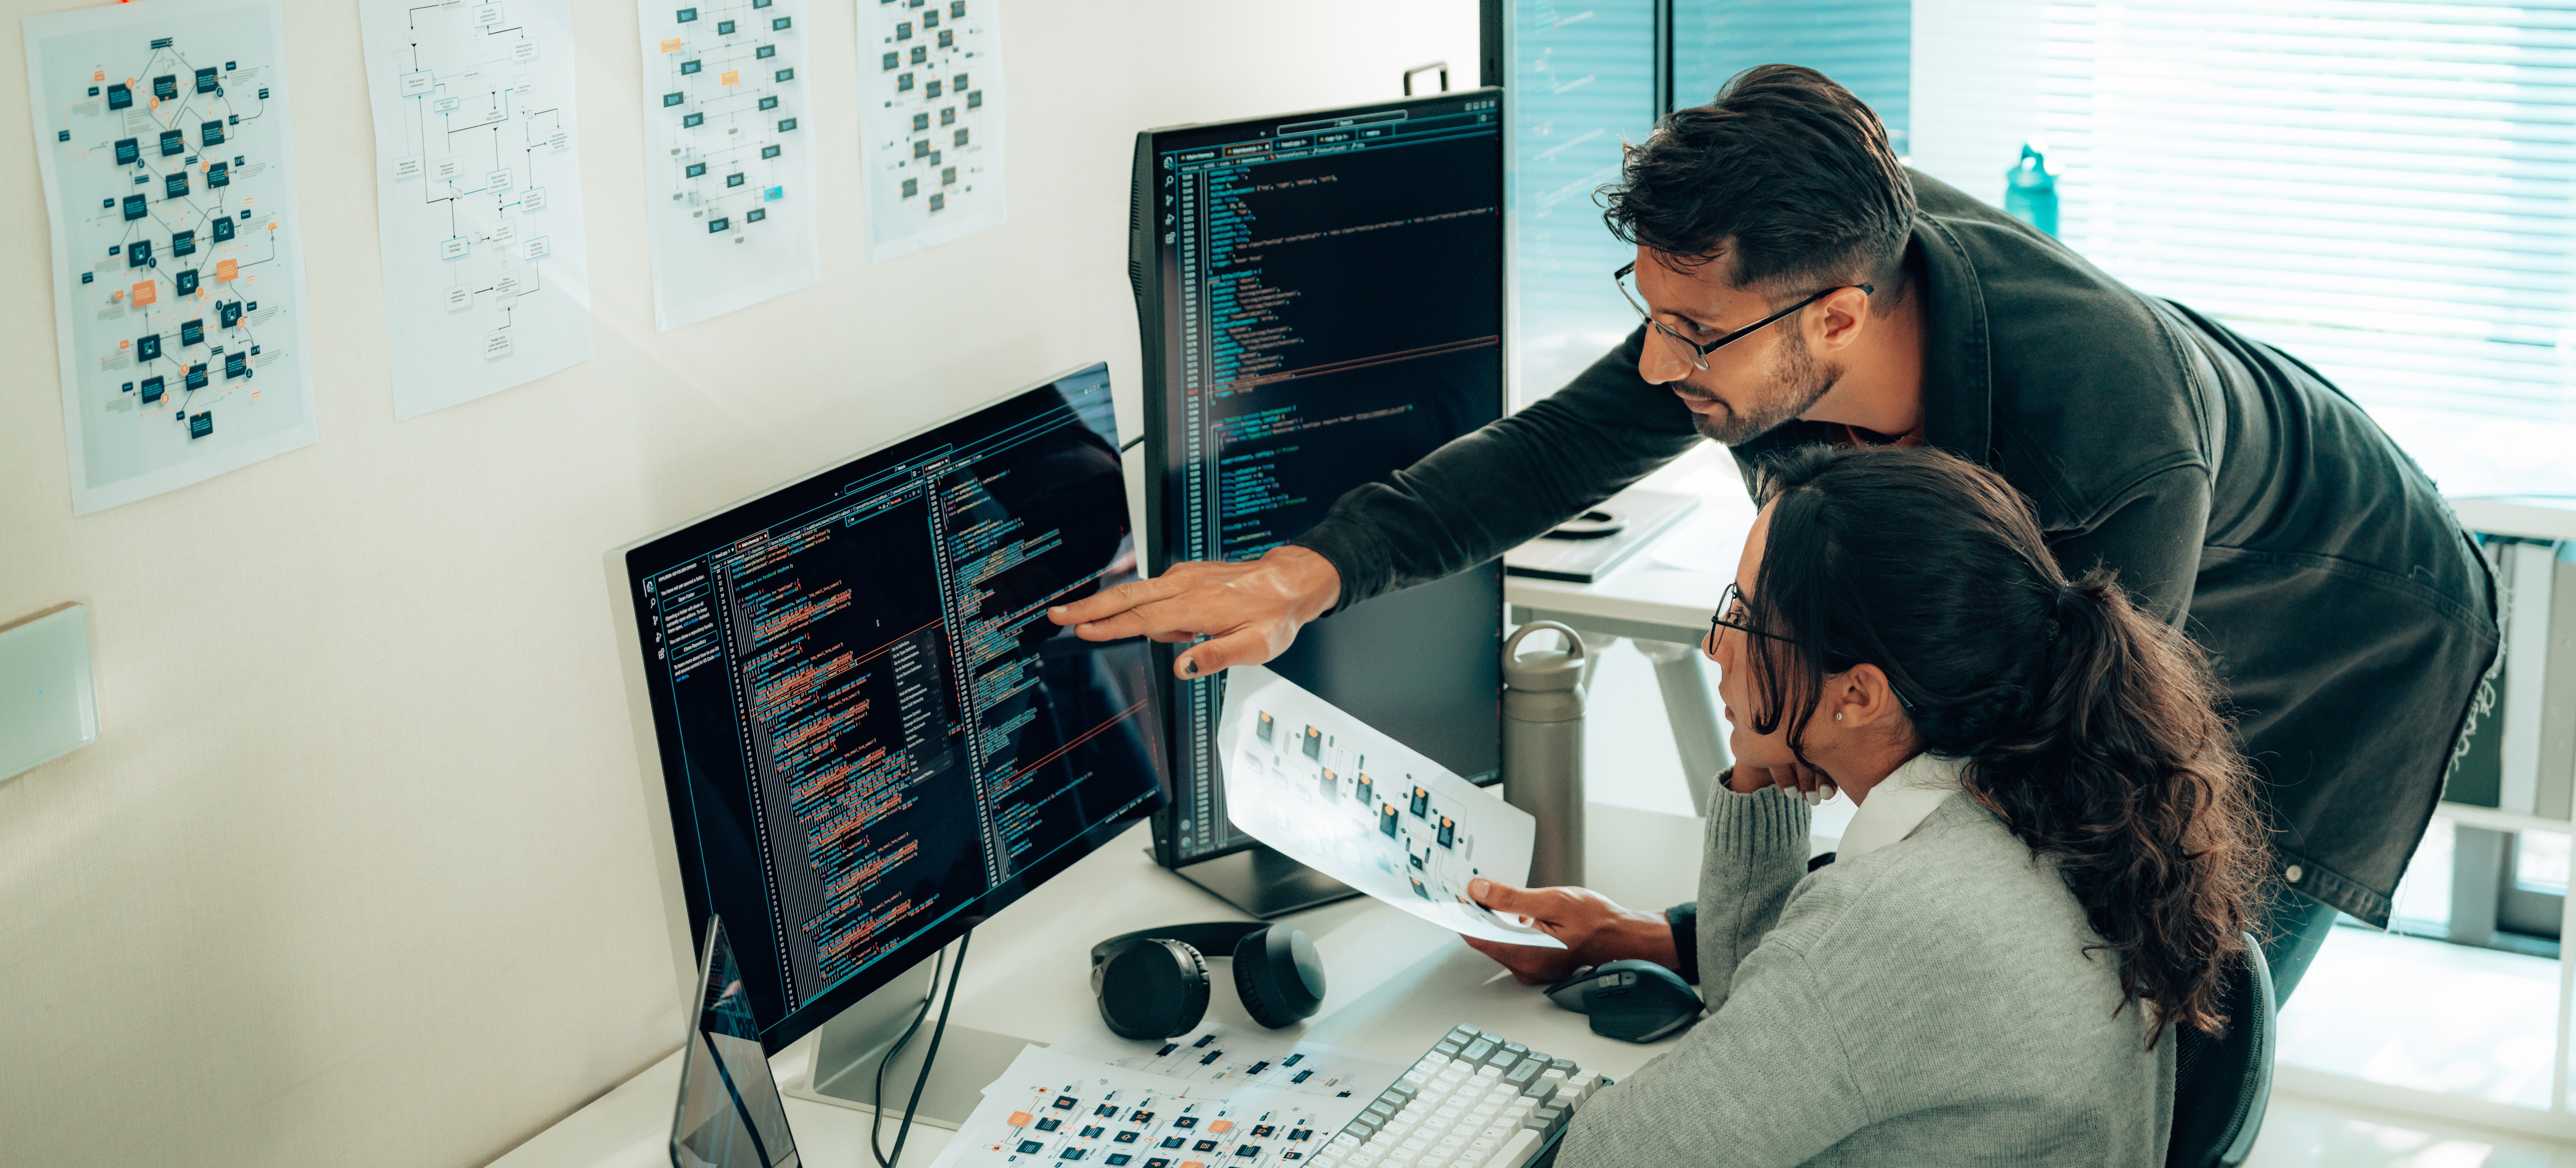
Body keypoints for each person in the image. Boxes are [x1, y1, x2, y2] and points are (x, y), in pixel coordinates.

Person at [1051, 65, 2498, 998]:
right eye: (1648, 311)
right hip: (2188, 540)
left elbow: (2026, 802)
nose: (1658, 361)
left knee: (2128, 994)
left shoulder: (2100, 453)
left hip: (2340, 624)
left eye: (1690, 332)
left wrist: (1693, 936)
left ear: (1839, 319)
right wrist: (1299, 577)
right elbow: (1554, 446)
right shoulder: (1784, 276)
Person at [1496, 443, 2266, 1165]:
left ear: (1859, 695)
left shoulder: (1897, 922)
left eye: (1745, 618)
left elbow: (1614, 1155)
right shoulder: (2047, 806)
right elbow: (1755, 1009)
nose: (1715, 647)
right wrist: (1760, 766)